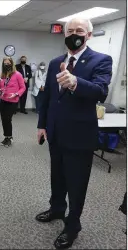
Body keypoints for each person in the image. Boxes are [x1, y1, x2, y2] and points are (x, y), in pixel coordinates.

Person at [36, 18, 113, 249]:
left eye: (79, 31)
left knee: (76, 183)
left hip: (80, 137)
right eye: (70, 31)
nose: (74, 34)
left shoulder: (101, 60)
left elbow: (100, 91)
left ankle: (72, 226)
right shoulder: (55, 62)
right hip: (55, 133)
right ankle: (57, 208)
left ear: (88, 34)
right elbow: (47, 97)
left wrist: (75, 82)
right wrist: (42, 125)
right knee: (57, 176)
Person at [0, 57, 26, 147]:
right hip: (3, 99)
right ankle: (6, 137)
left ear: (12, 63)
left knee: (8, 119)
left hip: (13, 101)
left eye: (8, 63)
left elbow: (23, 87)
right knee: (3, 119)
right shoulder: (3, 75)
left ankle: (10, 138)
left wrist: (16, 94)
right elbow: (1, 85)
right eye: (5, 63)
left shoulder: (17, 74)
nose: (6, 65)